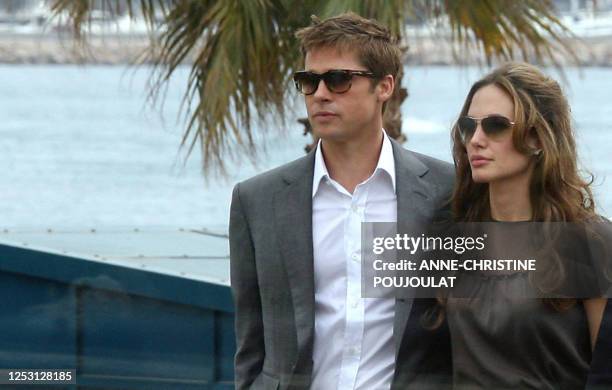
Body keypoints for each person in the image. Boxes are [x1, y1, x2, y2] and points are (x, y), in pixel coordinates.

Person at [229, 12, 454, 390]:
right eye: (308, 81)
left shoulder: (445, 191)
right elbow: (250, 343)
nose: (319, 94)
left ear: (385, 86)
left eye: (338, 79)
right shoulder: (257, 200)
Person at [445, 62, 610, 389]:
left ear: (536, 137)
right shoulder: (454, 236)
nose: (476, 140)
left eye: (494, 126)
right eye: (468, 126)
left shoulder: (592, 241)